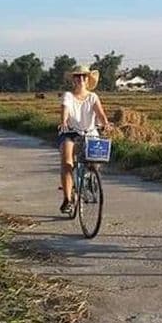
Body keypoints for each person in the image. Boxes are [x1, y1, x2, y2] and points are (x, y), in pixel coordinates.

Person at [57, 64, 112, 215]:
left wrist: (105, 124)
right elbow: (65, 110)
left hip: (89, 133)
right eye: (77, 76)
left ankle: (90, 178)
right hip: (71, 132)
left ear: (88, 80)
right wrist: (63, 122)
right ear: (73, 80)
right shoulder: (68, 96)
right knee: (67, 161)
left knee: (95, 159)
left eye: (83, 76)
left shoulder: (93, 97)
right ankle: (67, 199)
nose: (80, 79)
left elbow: (100, 114)